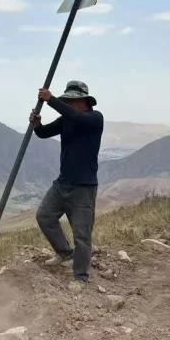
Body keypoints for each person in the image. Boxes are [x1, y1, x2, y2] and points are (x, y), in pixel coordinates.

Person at [30, 80, 104, 283]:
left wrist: (51, 100)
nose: (69, 104)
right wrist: (37, 124)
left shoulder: (95, 118)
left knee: (82, 235)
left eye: (72, 100)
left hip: (84, 188)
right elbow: (43, 133)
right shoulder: (66, 119)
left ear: (84, 101)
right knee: (44, 216)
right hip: (62, 184)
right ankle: (64, 252)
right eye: (67, 101)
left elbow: (77, 117)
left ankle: (80, 277)